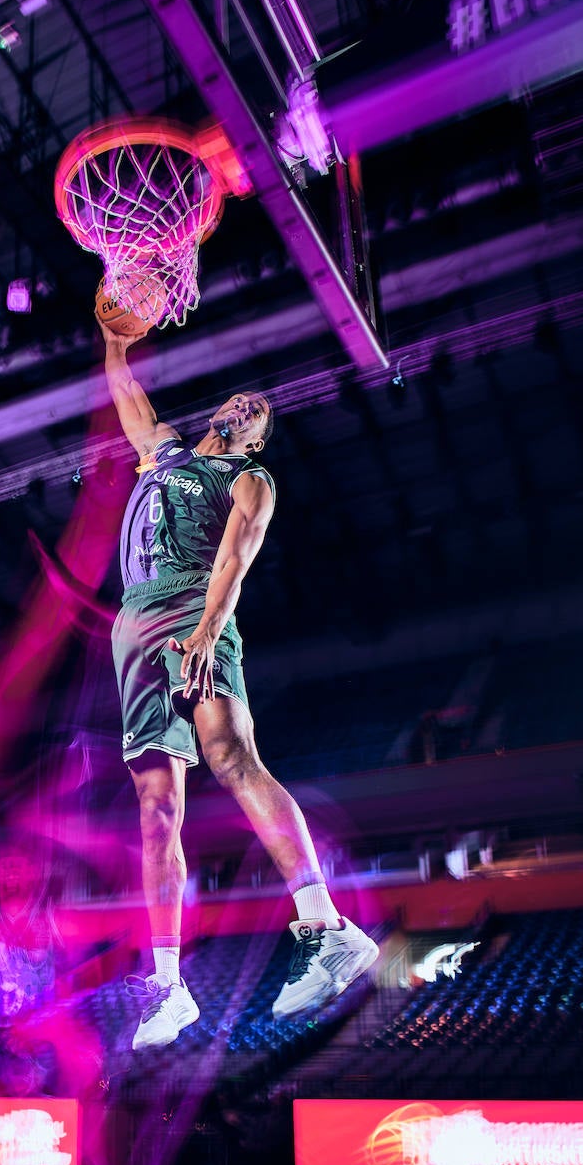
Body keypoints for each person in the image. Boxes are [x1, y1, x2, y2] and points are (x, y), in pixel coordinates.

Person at [99, 319, 379, 1051]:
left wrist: (205, 627)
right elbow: (126, 395)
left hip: (195, 607)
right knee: (155, 805)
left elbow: (235, 560)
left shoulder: (248, 477)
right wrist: (114, 344)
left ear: (257, 438)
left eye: (256, 409)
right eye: (237, 398)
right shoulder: (162, 455)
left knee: (229, 757)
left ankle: (327, 928)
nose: (243, 405)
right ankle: (169, 987)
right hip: (134, 622)